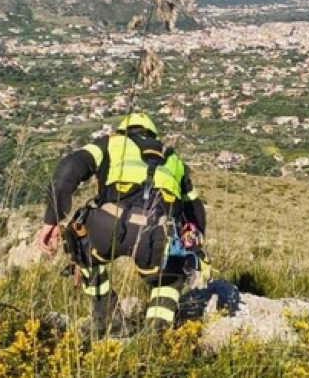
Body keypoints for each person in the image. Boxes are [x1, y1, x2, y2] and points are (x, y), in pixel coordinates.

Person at [36, 112, 207, 336]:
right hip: (156, 236)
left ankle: (107, 318)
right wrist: (196, 247)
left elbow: (69, 168)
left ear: (122, 131)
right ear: (153, 135)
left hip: (107, 224)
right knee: (170, 276)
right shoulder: (175, 161)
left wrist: (52, 219)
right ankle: (156, 335)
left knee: (81, 246)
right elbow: (195, 209)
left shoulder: (110, 143)